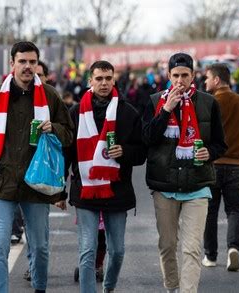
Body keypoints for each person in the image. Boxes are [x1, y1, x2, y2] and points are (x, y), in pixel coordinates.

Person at [0, 41, 73, 293]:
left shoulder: (49, 95)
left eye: (32, 62)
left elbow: (69, 134)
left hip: (36, 183)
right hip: (1, 181)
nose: (28, 67)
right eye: (23, 61)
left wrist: (54, 128)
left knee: (39, 246)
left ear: (37, 64)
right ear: (12, 63)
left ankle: (39, 288)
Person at [142, 52, 227, 293]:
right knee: (168, 246)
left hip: (198, 186)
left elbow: (221, 144)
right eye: (176, 75)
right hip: (165, 187)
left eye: (185, 75)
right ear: (168, 76)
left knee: (192, 249)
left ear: (193, 76)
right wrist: (166, 110)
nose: (180, 80)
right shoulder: (154, 101)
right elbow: (147, 138)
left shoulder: (209, 103)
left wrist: (208, 153)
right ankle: (171, 286)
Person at [66, 60, 146, 293]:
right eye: (99, 78)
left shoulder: (128, 112)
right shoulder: (75, 113)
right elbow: (67, 153)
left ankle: (109, 286)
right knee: (88, 250)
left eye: (108, 78)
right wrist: (59, 191)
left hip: (117, 190)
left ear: (114, 80)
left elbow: (141, 153)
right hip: (85, 190)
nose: (103, 83)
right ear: (90, 81)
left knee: (118, 251)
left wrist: (125, 152)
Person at [202, 63, 239, 271]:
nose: (205, 81)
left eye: (207, 78)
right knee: (234, 209)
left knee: (210, 212)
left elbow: (202, 134)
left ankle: (211, 256)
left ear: (216, 80)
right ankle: (233, 248)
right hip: (235, 165)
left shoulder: (209, 102)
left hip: (212, 165)